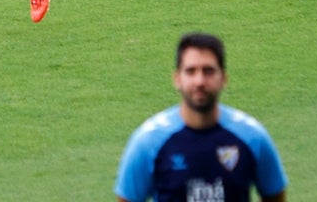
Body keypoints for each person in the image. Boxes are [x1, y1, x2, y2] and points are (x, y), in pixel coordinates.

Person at [114, 33, 288, 202]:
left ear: (223, 79)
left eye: (209, 71)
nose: (200, 81)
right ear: (177, 79)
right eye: (190, 71)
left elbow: (274, 194)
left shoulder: (252, 138)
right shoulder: (148, 142)